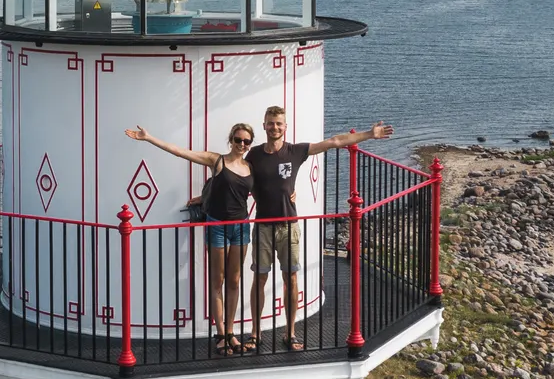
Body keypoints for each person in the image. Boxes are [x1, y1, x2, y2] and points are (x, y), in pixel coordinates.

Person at [245, 107, 393, 353]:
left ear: (286, 126)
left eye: (279, 123)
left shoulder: (295, 151)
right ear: (264, 125)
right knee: (259, 278)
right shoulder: (254, 154)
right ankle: (255, 333)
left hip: (289, 226)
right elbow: (236, 174)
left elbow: (334, 141)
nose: (275, 128)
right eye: (271, 123)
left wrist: (369, 134)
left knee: (290, 278)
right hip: (262, 227)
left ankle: (290, 333)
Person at [124, 121, 255, 353]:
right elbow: (182, 152)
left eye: (246, 141)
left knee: (234, 281)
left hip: (241, 227)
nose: (241, 144)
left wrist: (290, 194)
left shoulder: (250, 168)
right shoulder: (218, 161)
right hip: (217, 225)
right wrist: (149, 138)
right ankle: (221, 334)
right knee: (218, 281)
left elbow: (265, 189)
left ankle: (232, 331)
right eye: (238, 140)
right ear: (231, 140)